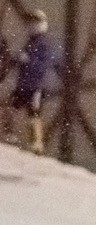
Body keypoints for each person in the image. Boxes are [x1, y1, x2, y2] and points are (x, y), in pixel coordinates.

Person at [1, 10, 59, 154]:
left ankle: (35, 145)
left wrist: (28, 61)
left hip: (35, 86)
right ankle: (10, 134)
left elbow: (44, 64)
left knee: (33, 114)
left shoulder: (43, 43)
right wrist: (17, 60)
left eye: (34, 22)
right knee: (12, 108)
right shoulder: (31, 42)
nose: (31, 25)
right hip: (24, 85)